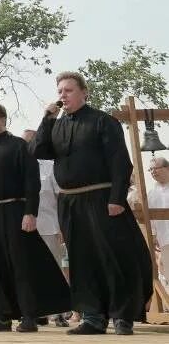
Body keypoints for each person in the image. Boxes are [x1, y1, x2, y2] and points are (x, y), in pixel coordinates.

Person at [32, 71, 152, 335]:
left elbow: (120, 161)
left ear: (84, 92)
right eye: (60, 91)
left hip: (102, 198)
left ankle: (123, 316)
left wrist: (117, 198)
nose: (63, 95)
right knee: (81, 261)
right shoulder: (57, 125)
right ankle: (93, 316)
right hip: (70, 203)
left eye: (69, 90)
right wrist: (47, 119)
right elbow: (38, 150)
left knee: (114, 258)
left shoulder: (103, 121)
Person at [0, 102, 70, 332]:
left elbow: (32, 182)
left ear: (2, 120)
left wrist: (30, 212)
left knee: (20, 264)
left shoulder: (18, 146)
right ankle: (1, 315)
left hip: (13, 212)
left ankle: (29, 315)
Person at [23, 128, 70, 327]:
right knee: (28, 272)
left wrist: (62, 227)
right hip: (24, 229)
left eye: (30, 142)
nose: (27, 147)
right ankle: (34, 312)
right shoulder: (16, 167)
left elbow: (60, 198)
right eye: (24, 143)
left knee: (56, 270)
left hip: (49, 226)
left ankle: (59, 312)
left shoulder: (50, 166)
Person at [129, 157, 169, 284]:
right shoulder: (151, 194)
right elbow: (148, 219)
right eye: (150, 169)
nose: (152, 172)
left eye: (155, 168)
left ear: (167, 168)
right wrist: (152, 235)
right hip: (165, 240)